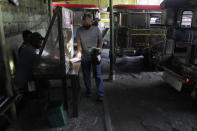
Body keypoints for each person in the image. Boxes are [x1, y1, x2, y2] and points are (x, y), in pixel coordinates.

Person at [76, 13, 104, 101]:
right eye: (84, 22)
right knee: (86, 75)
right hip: (85, 56)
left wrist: (100, 48)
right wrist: (79, 52)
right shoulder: (79, 30)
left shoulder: (96, 29)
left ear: (91, 21)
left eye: (87, 22)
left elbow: (100, 41)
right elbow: (79, 43)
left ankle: (100, 93)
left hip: (96, 55)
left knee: (98, 75)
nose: (86, 24)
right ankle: (89, 91)